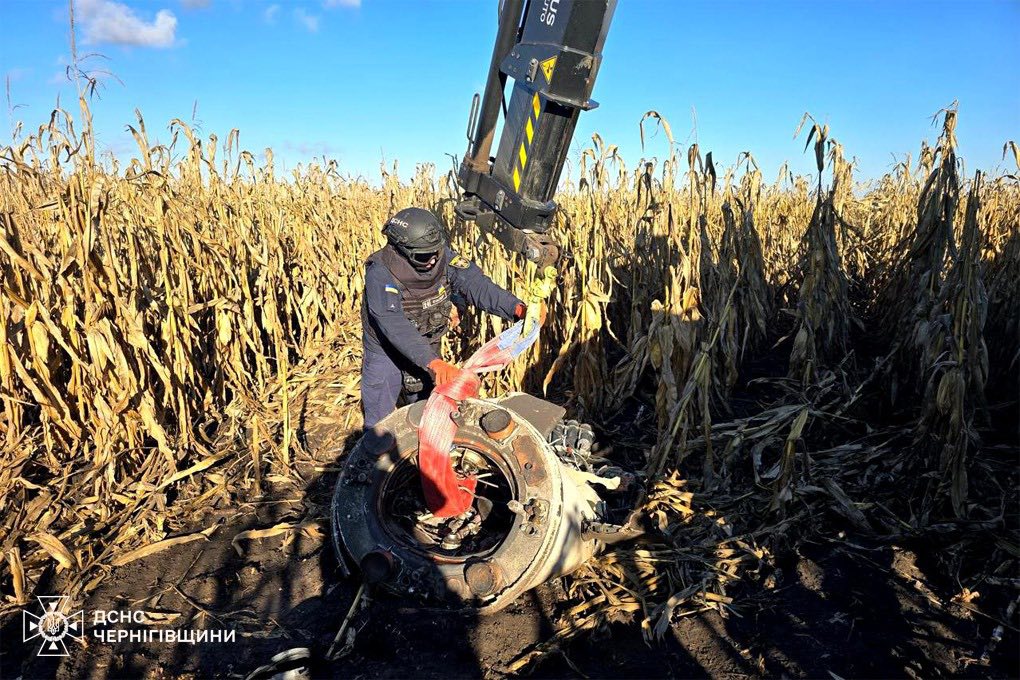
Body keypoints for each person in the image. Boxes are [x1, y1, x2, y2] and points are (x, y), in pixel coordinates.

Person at [360, 207, 534, 431]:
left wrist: (516, 308)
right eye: (424, 256)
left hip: (428, 341)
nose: (433, 260)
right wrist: (432, 362)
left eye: (436, 251)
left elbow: (477, 285)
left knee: (426, 413)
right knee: (379, 423)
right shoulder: (380, 272)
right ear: (401, 250)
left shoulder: (444, 258)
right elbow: (392, 323)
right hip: (385, 351)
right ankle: (373, 461)